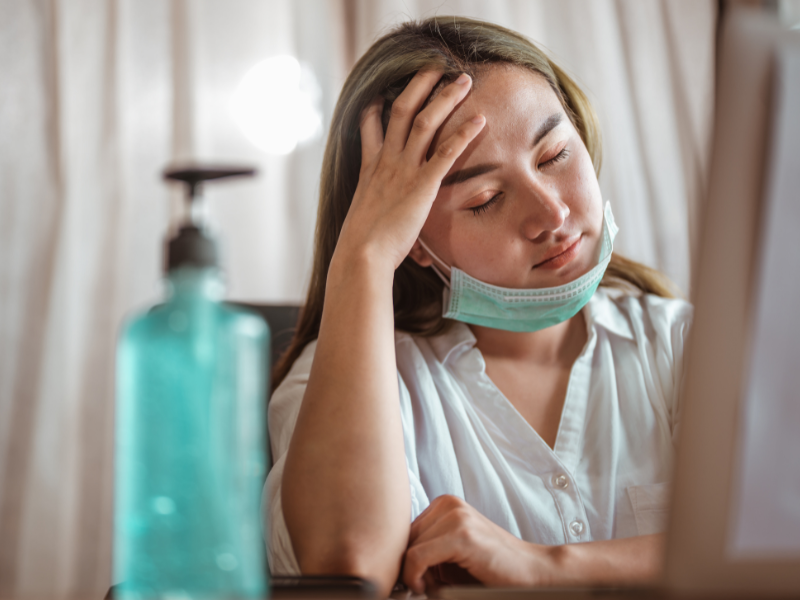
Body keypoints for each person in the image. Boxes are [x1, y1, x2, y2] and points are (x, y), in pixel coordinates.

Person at [262, 16, 692, 597]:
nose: (552, 215)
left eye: (555, 155)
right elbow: (349, 567)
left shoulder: (684, 344)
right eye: (485, 199)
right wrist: (362, 256)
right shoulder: (342, 380)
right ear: (411, 236)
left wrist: (546, 567)